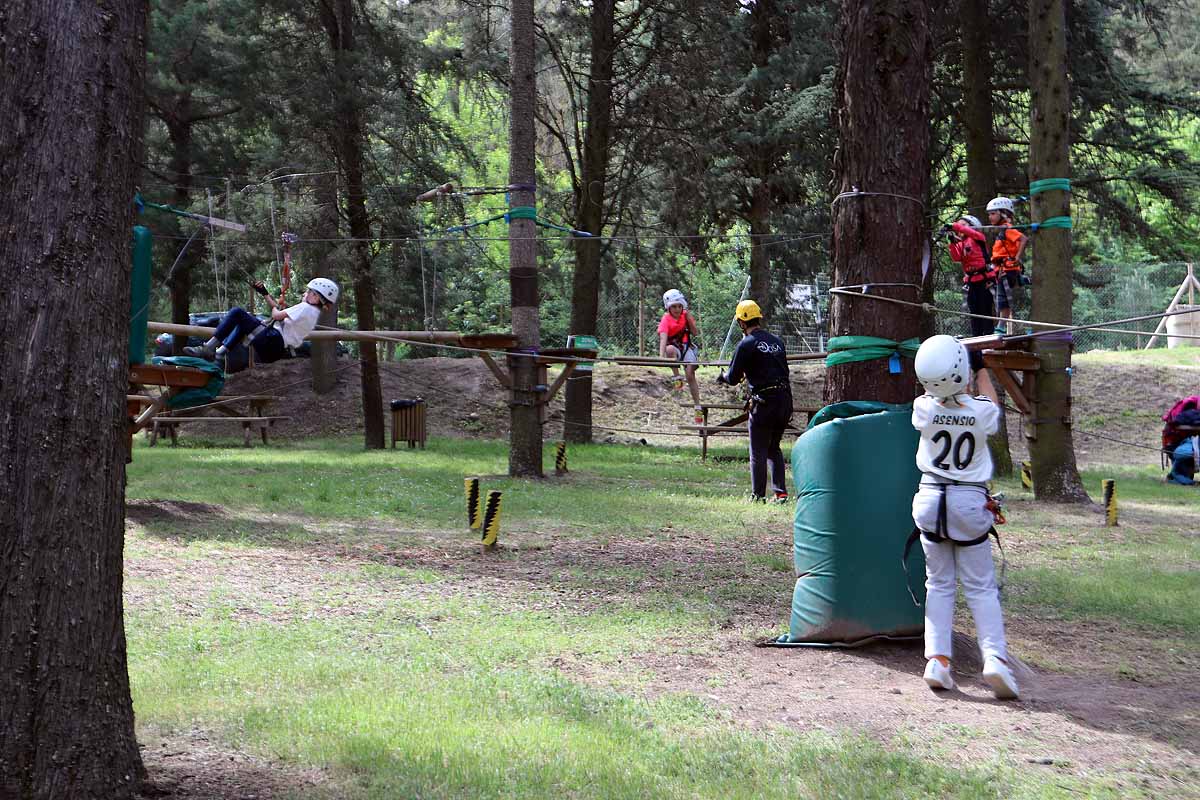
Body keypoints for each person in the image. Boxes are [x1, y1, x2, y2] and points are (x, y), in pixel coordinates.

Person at [910, 334, 1019, 700]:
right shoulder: (980, 412)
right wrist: (981, 367)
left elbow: (935, 395)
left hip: (929, 500)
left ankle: (938, 661)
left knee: (938, 585)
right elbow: (990, 404)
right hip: (967, 502)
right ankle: (995, 660)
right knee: (980, 587)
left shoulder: (921, 409)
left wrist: (959, 366)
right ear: (963, 373)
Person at [717, 300, 792, 504]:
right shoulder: (777, 341)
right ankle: (781, 493)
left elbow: (733, 378)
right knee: (773, 447)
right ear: (758, 317)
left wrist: (722, 376)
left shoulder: (746, 344)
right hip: (785, 400)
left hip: (764, 402)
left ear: (742, 322)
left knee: (758, 449)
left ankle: (758, 496)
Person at [185, 278, 339, 365]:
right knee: (244, 323)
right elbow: (278, 313)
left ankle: (209, 348)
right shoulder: (312, 312)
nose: (305, 294)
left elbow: (277, 315)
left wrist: (271, 303)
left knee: (237, 312)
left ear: (316, 297)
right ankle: (219, 354)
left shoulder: (306, 308)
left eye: (309, 292)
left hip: (273, 340)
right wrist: (265, 294)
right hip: (276, 347)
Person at [944, 215, 1000, 405]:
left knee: (985, 311)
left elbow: (969, 231)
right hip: (972, 283)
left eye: (964, 224)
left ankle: (988, 339)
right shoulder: (963, 242)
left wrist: (954, 226)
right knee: (974, 313)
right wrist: (951, 240)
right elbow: (956, 257)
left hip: (984, 280)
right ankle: (977, 341)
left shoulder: (977, 237)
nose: (961, 227)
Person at [658, 289, 703, 424]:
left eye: (679, 306)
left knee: (690, 375)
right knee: (670, 350)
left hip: (686, 347)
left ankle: (697, 406)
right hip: (674, 348)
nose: (677, 309)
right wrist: (661, 357)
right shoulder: (666, 319)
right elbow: (663, 338)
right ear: (668, 307)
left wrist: (689, 320)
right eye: (674, 306)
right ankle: (677, 377)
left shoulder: (685, 315)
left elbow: (695, 333)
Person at [986, 196, 1029, 335]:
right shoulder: (1002, 230)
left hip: (1008, 269)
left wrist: (1017, 258)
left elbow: (1023, 239)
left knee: (1003, 301)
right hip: (1002, 269)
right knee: (1000, 299)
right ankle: (1001, 326)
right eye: (989, 214)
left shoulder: (1007, 229)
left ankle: (1001, 327)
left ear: (1002, 213)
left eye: (993, 214)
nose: (990, 217)